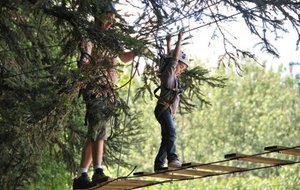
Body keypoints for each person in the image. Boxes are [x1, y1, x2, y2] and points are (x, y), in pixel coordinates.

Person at [73, 2, 134, 189]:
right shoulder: (90, 37)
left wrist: (137, 50)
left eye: (113, 19)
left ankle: (82, 175)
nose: (111, 22)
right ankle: (98, 171)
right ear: (98, 16)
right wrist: (96, 65)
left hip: (108, 91)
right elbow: (84, 61)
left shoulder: (111, 39)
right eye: (108, 17)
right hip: (95, 88)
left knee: (96, 130)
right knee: (98, 128)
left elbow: (124, 57)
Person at [154, 31, 189, 172]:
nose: (181, 70)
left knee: (166, 138)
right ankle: (173, 158)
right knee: (171, 132)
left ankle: (159, 165)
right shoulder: (168, 75)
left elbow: (170, 58)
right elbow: (172, 60)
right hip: (163, 109)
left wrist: (169, 43)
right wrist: (179, 39)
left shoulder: (173, 78)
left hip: (167, 111)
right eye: (181, 67)